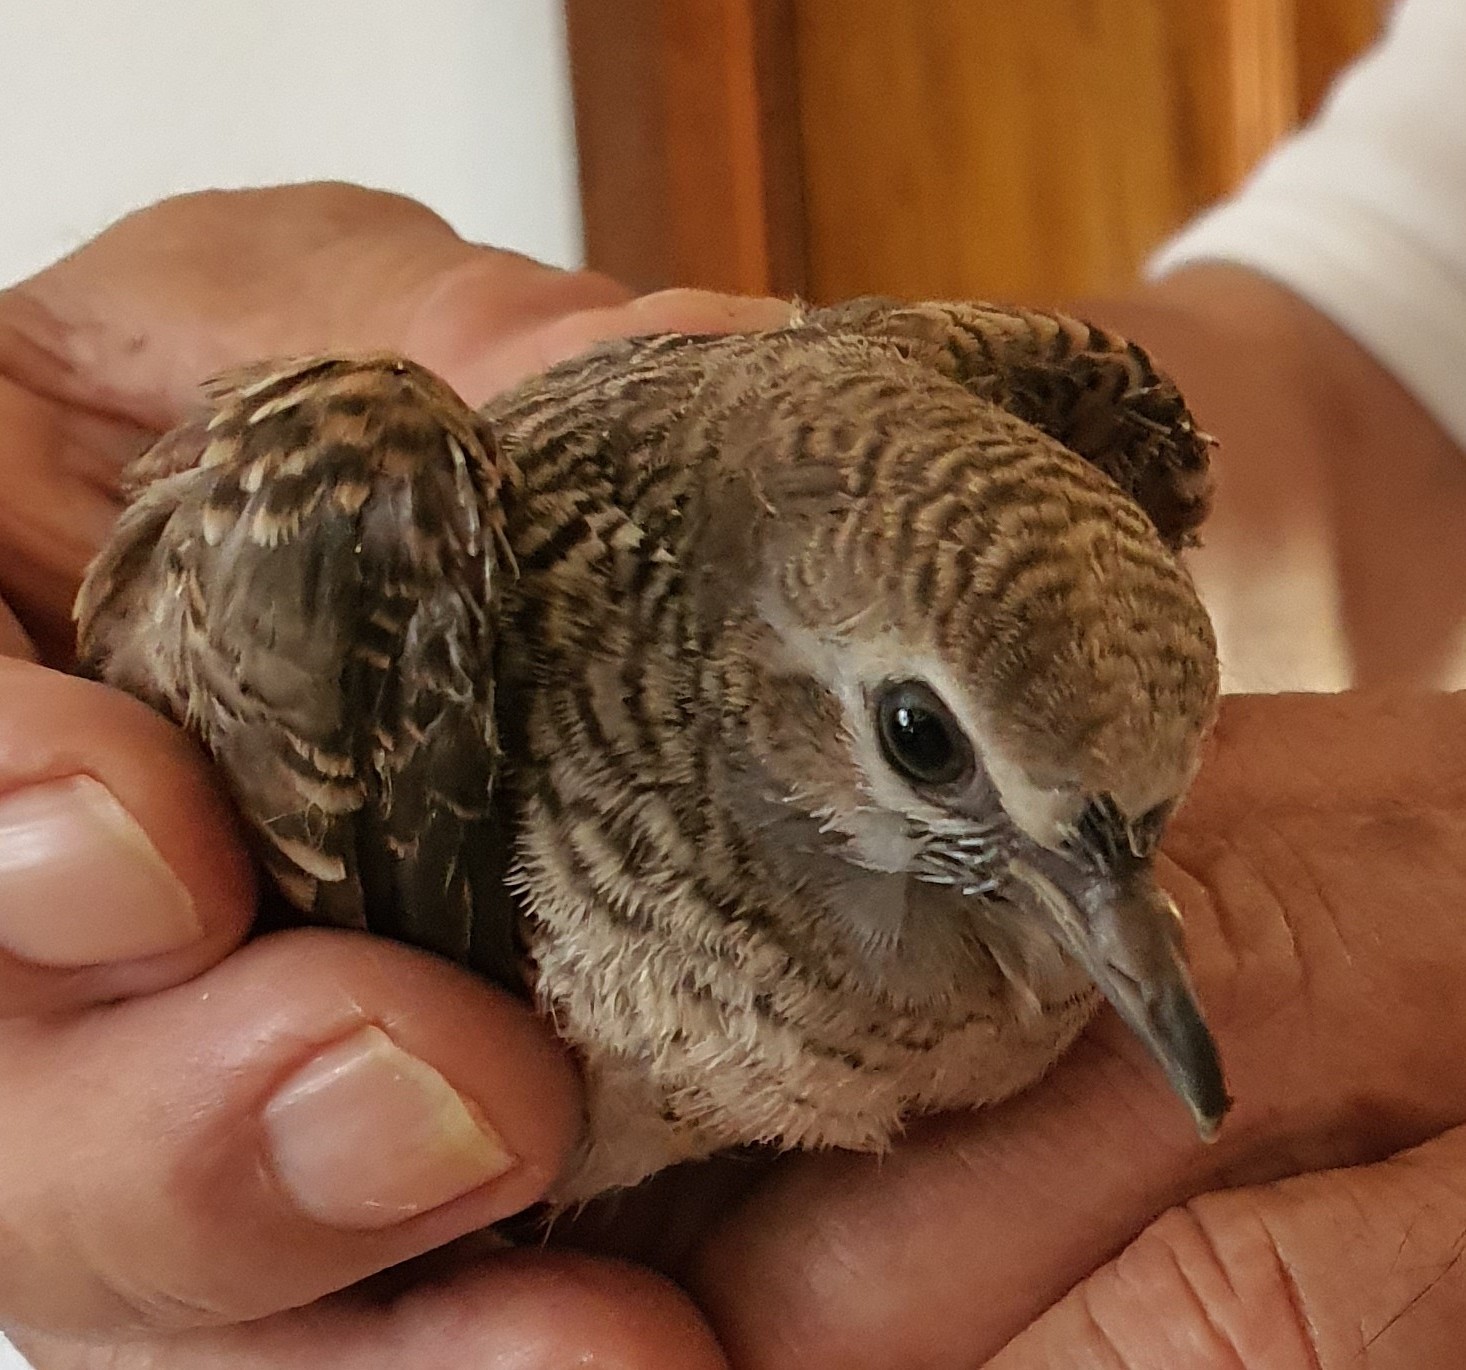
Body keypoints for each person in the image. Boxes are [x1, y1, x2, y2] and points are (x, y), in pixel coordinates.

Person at [5, 6, 1466, 1366]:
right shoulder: (394, 541)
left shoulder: (1020, 744)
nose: (1125, 947)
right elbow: (1388, 313)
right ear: (794, 665)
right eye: (921, 743)